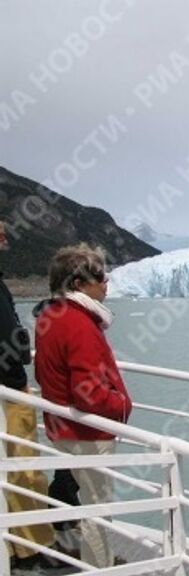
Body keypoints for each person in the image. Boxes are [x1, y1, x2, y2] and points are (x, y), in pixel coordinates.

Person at [34, 244, 133, 568]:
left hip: (62, 427)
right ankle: (100, 567)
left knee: (89, 503)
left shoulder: (51, 315)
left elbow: (43, 373)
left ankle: (95, 560)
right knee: (97, 509)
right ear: (78, 284)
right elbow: (87, 392)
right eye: (100, 277)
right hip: (87, 433)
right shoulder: (78, 323)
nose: (106, 283)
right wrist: (121, 405)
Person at [0, 221, 58, 570]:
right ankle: (30, 549)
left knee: (22, 470)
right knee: (25, 471)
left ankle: (24, 544)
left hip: (10, 387)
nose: (5, 238)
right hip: (9, 390)